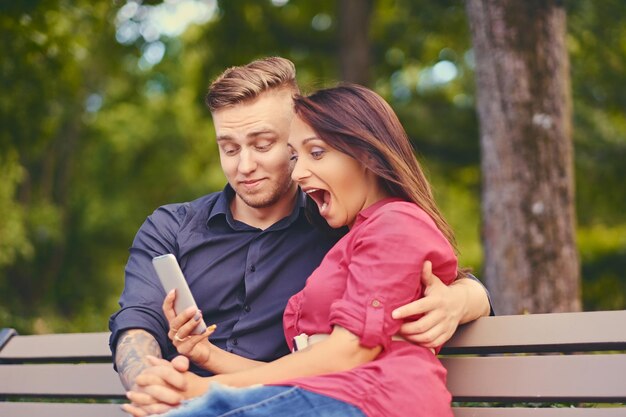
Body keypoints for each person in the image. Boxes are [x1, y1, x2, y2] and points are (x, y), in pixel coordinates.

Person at [109, 57, 491, 397]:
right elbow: (137, 324)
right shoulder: (171, 226)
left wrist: (460, 300)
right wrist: (156, 385)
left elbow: (436, 271)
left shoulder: (339, 219)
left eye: (262, 145)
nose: (244, 166)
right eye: (229, 148)